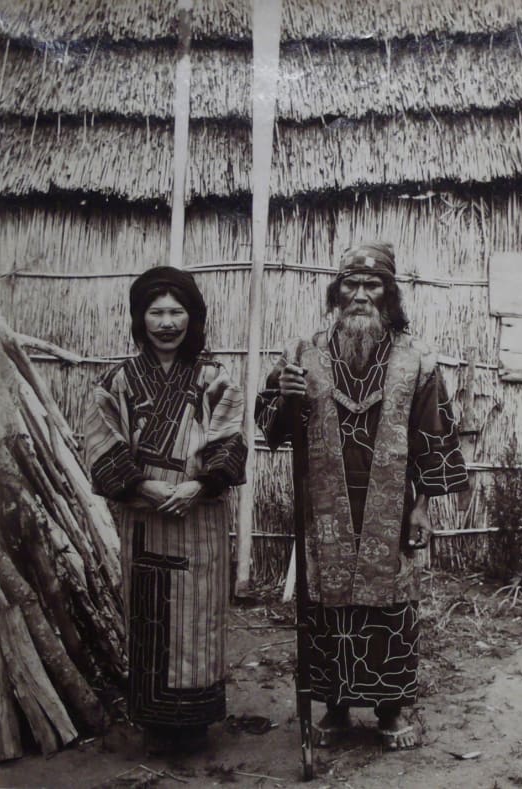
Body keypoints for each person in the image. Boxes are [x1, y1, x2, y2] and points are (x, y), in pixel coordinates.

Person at [256, 242, 468, 750]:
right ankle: (335, 707)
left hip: (392, 508)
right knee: (327, 605)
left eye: (372, 285)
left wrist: (422, 508)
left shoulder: (417, 361)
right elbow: (273, 430)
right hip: (325, 507)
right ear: (337, 290)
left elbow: (434, 436)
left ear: (389, 294)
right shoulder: (302, 355)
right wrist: (285, 395)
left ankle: (392, 709)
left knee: (391, 606)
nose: (360, 295)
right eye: (350, 284)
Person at [85, 266, 247, 753]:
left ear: (192, 318)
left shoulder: (215, 379)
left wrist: (198, 485)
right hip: (144, 517)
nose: (167, 322)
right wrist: (148, 487)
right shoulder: (114, 380)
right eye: (156, 312)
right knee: (148, 611)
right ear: (140, 318)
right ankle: (155, 720)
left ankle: (195, 721)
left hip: (200, 517)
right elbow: (101, 443)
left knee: (197, 615)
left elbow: (230, 439)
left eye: (177, 312)